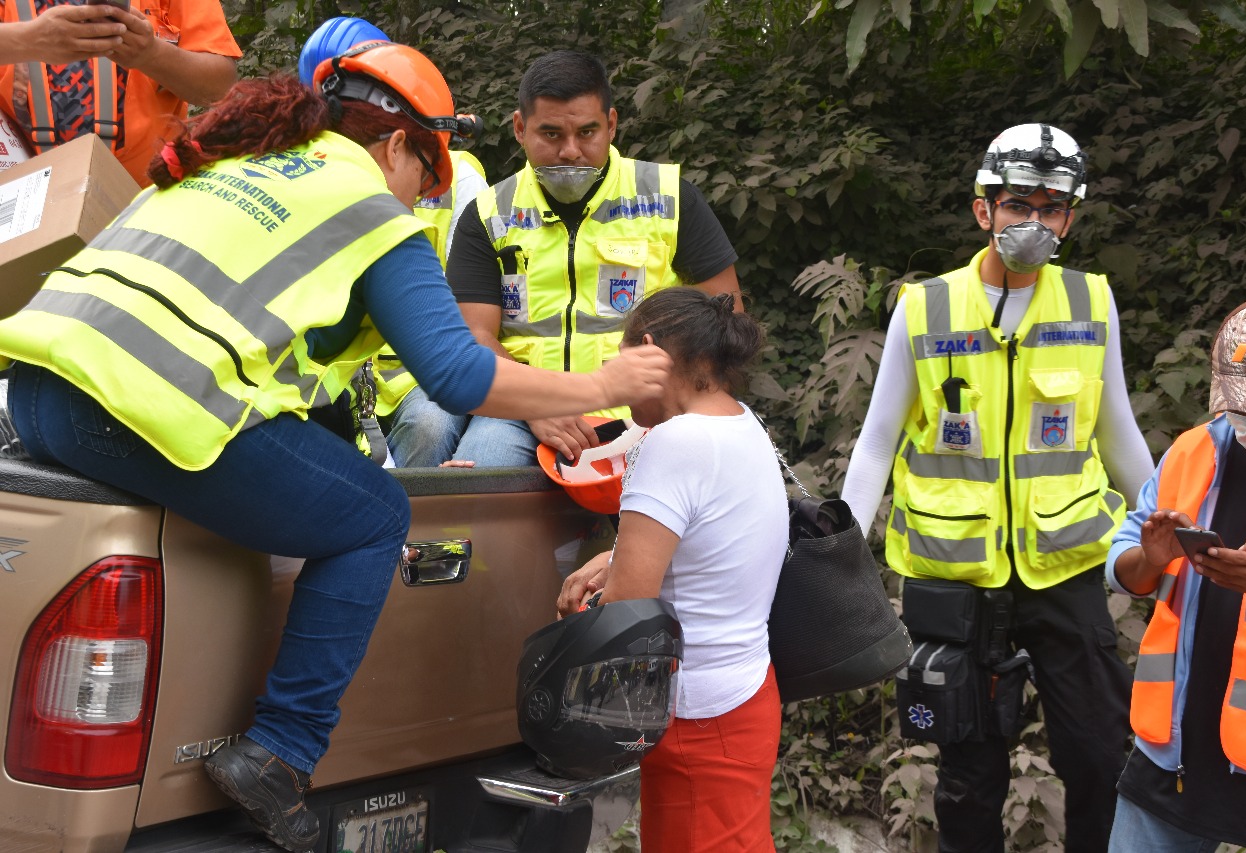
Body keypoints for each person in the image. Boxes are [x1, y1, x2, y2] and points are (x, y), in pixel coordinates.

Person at [0, 42, 670, 853]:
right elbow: (459, 373)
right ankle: (280, 751)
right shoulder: (367, 207)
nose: (422, 199)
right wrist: (603, 383)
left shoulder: (230, 165)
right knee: (374, 514)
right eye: (426, 177)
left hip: (40, 396)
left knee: (328, 487)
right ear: (398, 146)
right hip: (138, 410)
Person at [840, 123, 1154, 852]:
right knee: (970, 772)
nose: (1033, 223)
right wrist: (841, 553)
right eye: (1018, 205)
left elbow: (1118, 431)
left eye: (1052, 208)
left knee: (1099, 754)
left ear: (1070, 217)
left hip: (1066, 566)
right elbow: (878, 439)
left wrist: (1172, 525)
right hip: (959, 574)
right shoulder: (926, 307)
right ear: (983, 208)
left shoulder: (1090, 301)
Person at [384, 49, 742, 469]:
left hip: (647, 407)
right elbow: (473, 336)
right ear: (520, 129)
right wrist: (535, 404)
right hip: (522, 412)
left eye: (587, 132)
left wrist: (678, 407)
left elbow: (726, 318)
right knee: (482, 469)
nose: (571, 151)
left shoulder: (669, 197)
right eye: (551, 134)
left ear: (611, 124)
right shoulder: (489, 213)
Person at [557, 287, 787, 852]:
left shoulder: (674, 442)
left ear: (649, 351)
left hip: (697, 716)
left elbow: (627, 613)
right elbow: (709, 542)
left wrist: (576, 622)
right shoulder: (740, 421)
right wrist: (613, 559)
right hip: (745, 694)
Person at [1107, 298, 1246, 852]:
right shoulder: (1192, 452)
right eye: (1243, 408)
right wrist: (1153, 557)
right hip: (1177, 749)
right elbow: (1125, 569)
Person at [295, 16, 490, 463]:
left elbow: (457, 340)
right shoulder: (306, 175)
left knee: (429, 426)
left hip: (410, 374)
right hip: (328, 376)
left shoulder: (461, 180)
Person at [0, 0, 239, 186]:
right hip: (28, 200)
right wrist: (27, 40)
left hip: (151, 195)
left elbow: (219, 87)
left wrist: (152, 55)